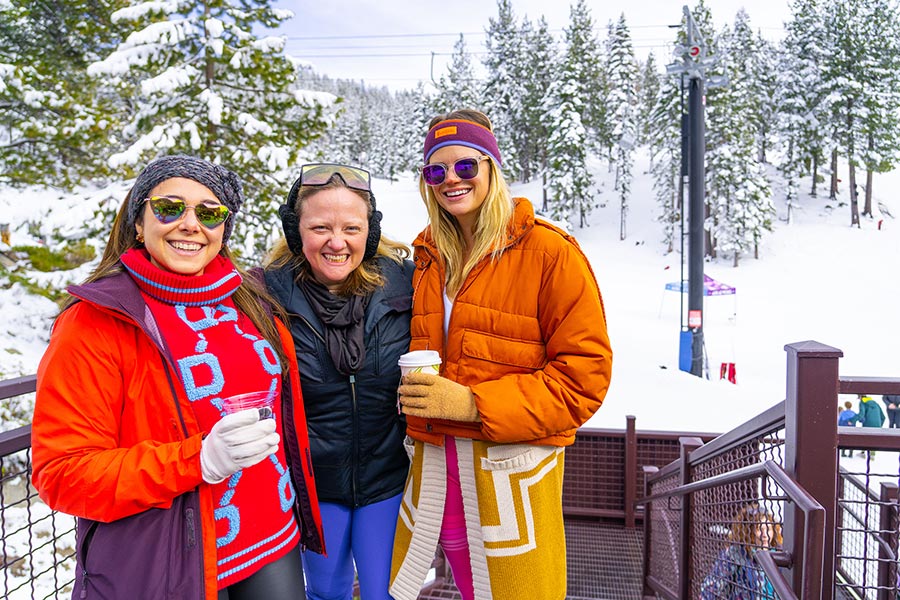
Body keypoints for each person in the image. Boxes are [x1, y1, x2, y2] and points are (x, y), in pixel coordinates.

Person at [30, 155, 324, 600]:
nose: (190, 224)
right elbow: (62, 473)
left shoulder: (247, 300)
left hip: (273, 538)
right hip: (167, 558)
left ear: (223, 229)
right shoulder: (95, 321)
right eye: (169, 208)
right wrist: (198, 461)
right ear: (137, 222)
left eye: (209, 213)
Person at [390, 109, 613, 600]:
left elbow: (584, 380)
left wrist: (473, 403)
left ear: (492, 168)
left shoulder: (551, 252)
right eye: (436, 170)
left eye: (466, 165)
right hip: (435, 469)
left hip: (509, 478)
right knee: (459, 582)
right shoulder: (429, 257)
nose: (451, 179)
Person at [264, 163, 413, 600]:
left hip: (387, 479)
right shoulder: (264, 296)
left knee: (386, 593)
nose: (337, 242)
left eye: (351, 228)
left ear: (370, 231)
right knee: (326, 592)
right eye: (320, 228)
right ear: (296, 231)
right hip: (314, 488)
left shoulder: (404, 283)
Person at [700, 502, 783, 600]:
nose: (765, 535)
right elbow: (709, 589)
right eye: (759, 529)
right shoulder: (736, 554)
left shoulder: (779, 556)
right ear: (748, 531)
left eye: (768, 529)